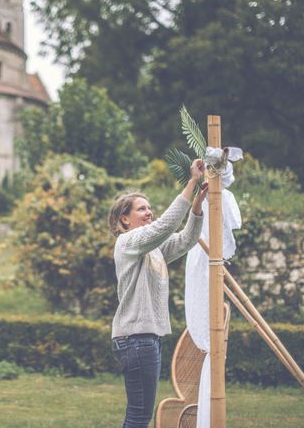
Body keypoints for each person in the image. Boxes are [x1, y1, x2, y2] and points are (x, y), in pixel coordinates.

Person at [107, 159, 208, 428]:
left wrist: (197, 205)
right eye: (142, 209)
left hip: (145, 340)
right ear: (124, 219)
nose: (149, 212)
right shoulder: (127, 242)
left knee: (139, 415)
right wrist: (192, 182)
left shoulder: (152, 248)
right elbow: (164, 227)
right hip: (136, 339)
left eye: (150, 207)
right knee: (139, 416)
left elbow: (185, 240)